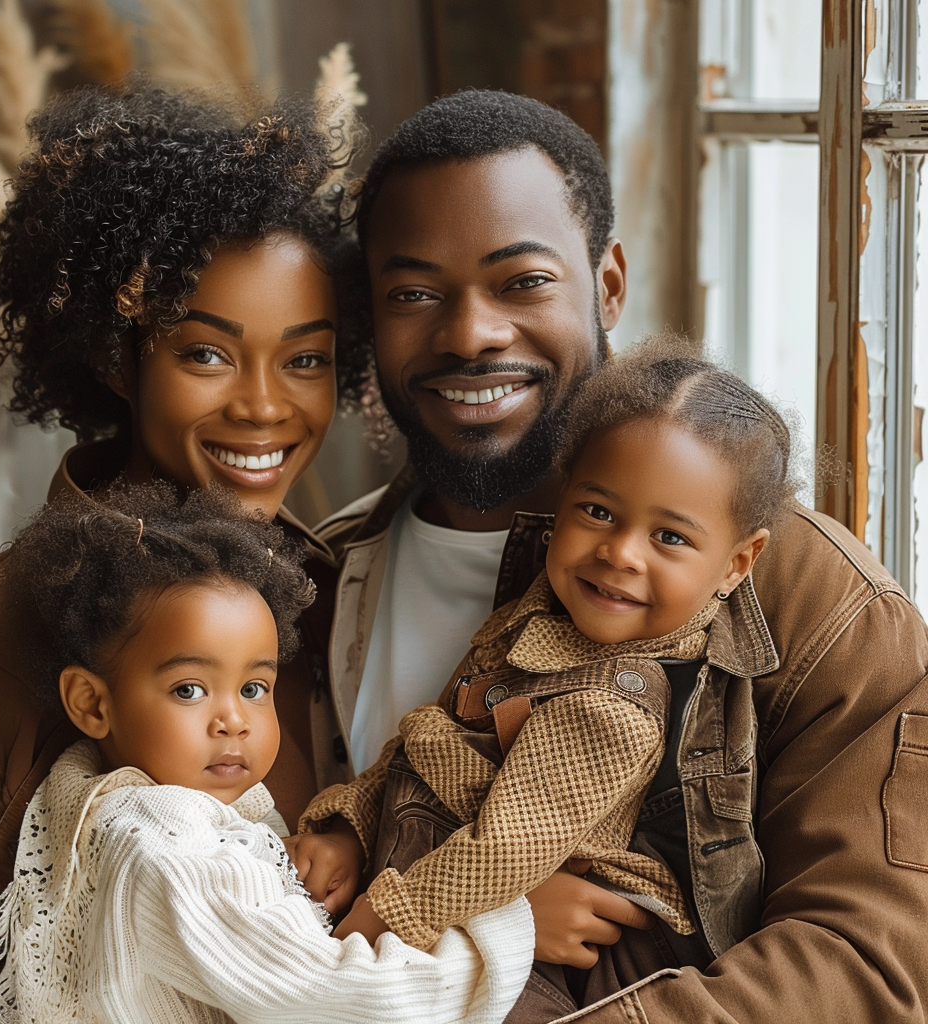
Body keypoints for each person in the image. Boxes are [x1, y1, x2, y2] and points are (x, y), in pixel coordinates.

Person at [317, 89, 928, 1021]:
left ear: (606, 285)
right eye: (414, 292)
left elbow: (869, 964)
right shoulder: (309, 581)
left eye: (522, 282)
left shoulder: (821, 602)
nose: (472, 332)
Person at [0, 83, 362, 1019]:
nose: (266, 406)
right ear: (119, 357)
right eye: (207, 354)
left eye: (306, 358)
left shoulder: (342, 587)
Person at [295, 343, 791, 1019]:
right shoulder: (538, 616)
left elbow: (506, 848)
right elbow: (433, 737)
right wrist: (351, 824)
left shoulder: (612, 707)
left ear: (737, 563)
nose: (619, 553)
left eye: (670, 537)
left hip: (545, 964)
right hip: (447, 898)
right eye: (598, 512)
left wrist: (381, 920)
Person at [0, 481, 532, 1024]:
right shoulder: (168, 849)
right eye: (189, 689)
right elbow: (341, 998)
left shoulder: (102, 798)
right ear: (92, 703)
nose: (234, 721)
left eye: (254, 689)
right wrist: (501, 930)